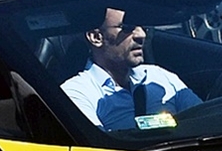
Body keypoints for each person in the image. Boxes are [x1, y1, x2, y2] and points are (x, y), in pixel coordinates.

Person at [62, 7, 201, 133]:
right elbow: (93, 150)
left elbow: (204, 120)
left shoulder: (160, 76)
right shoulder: (77, 93)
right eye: (127, 27)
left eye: (142, 27)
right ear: (96, 37)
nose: (141, 35)